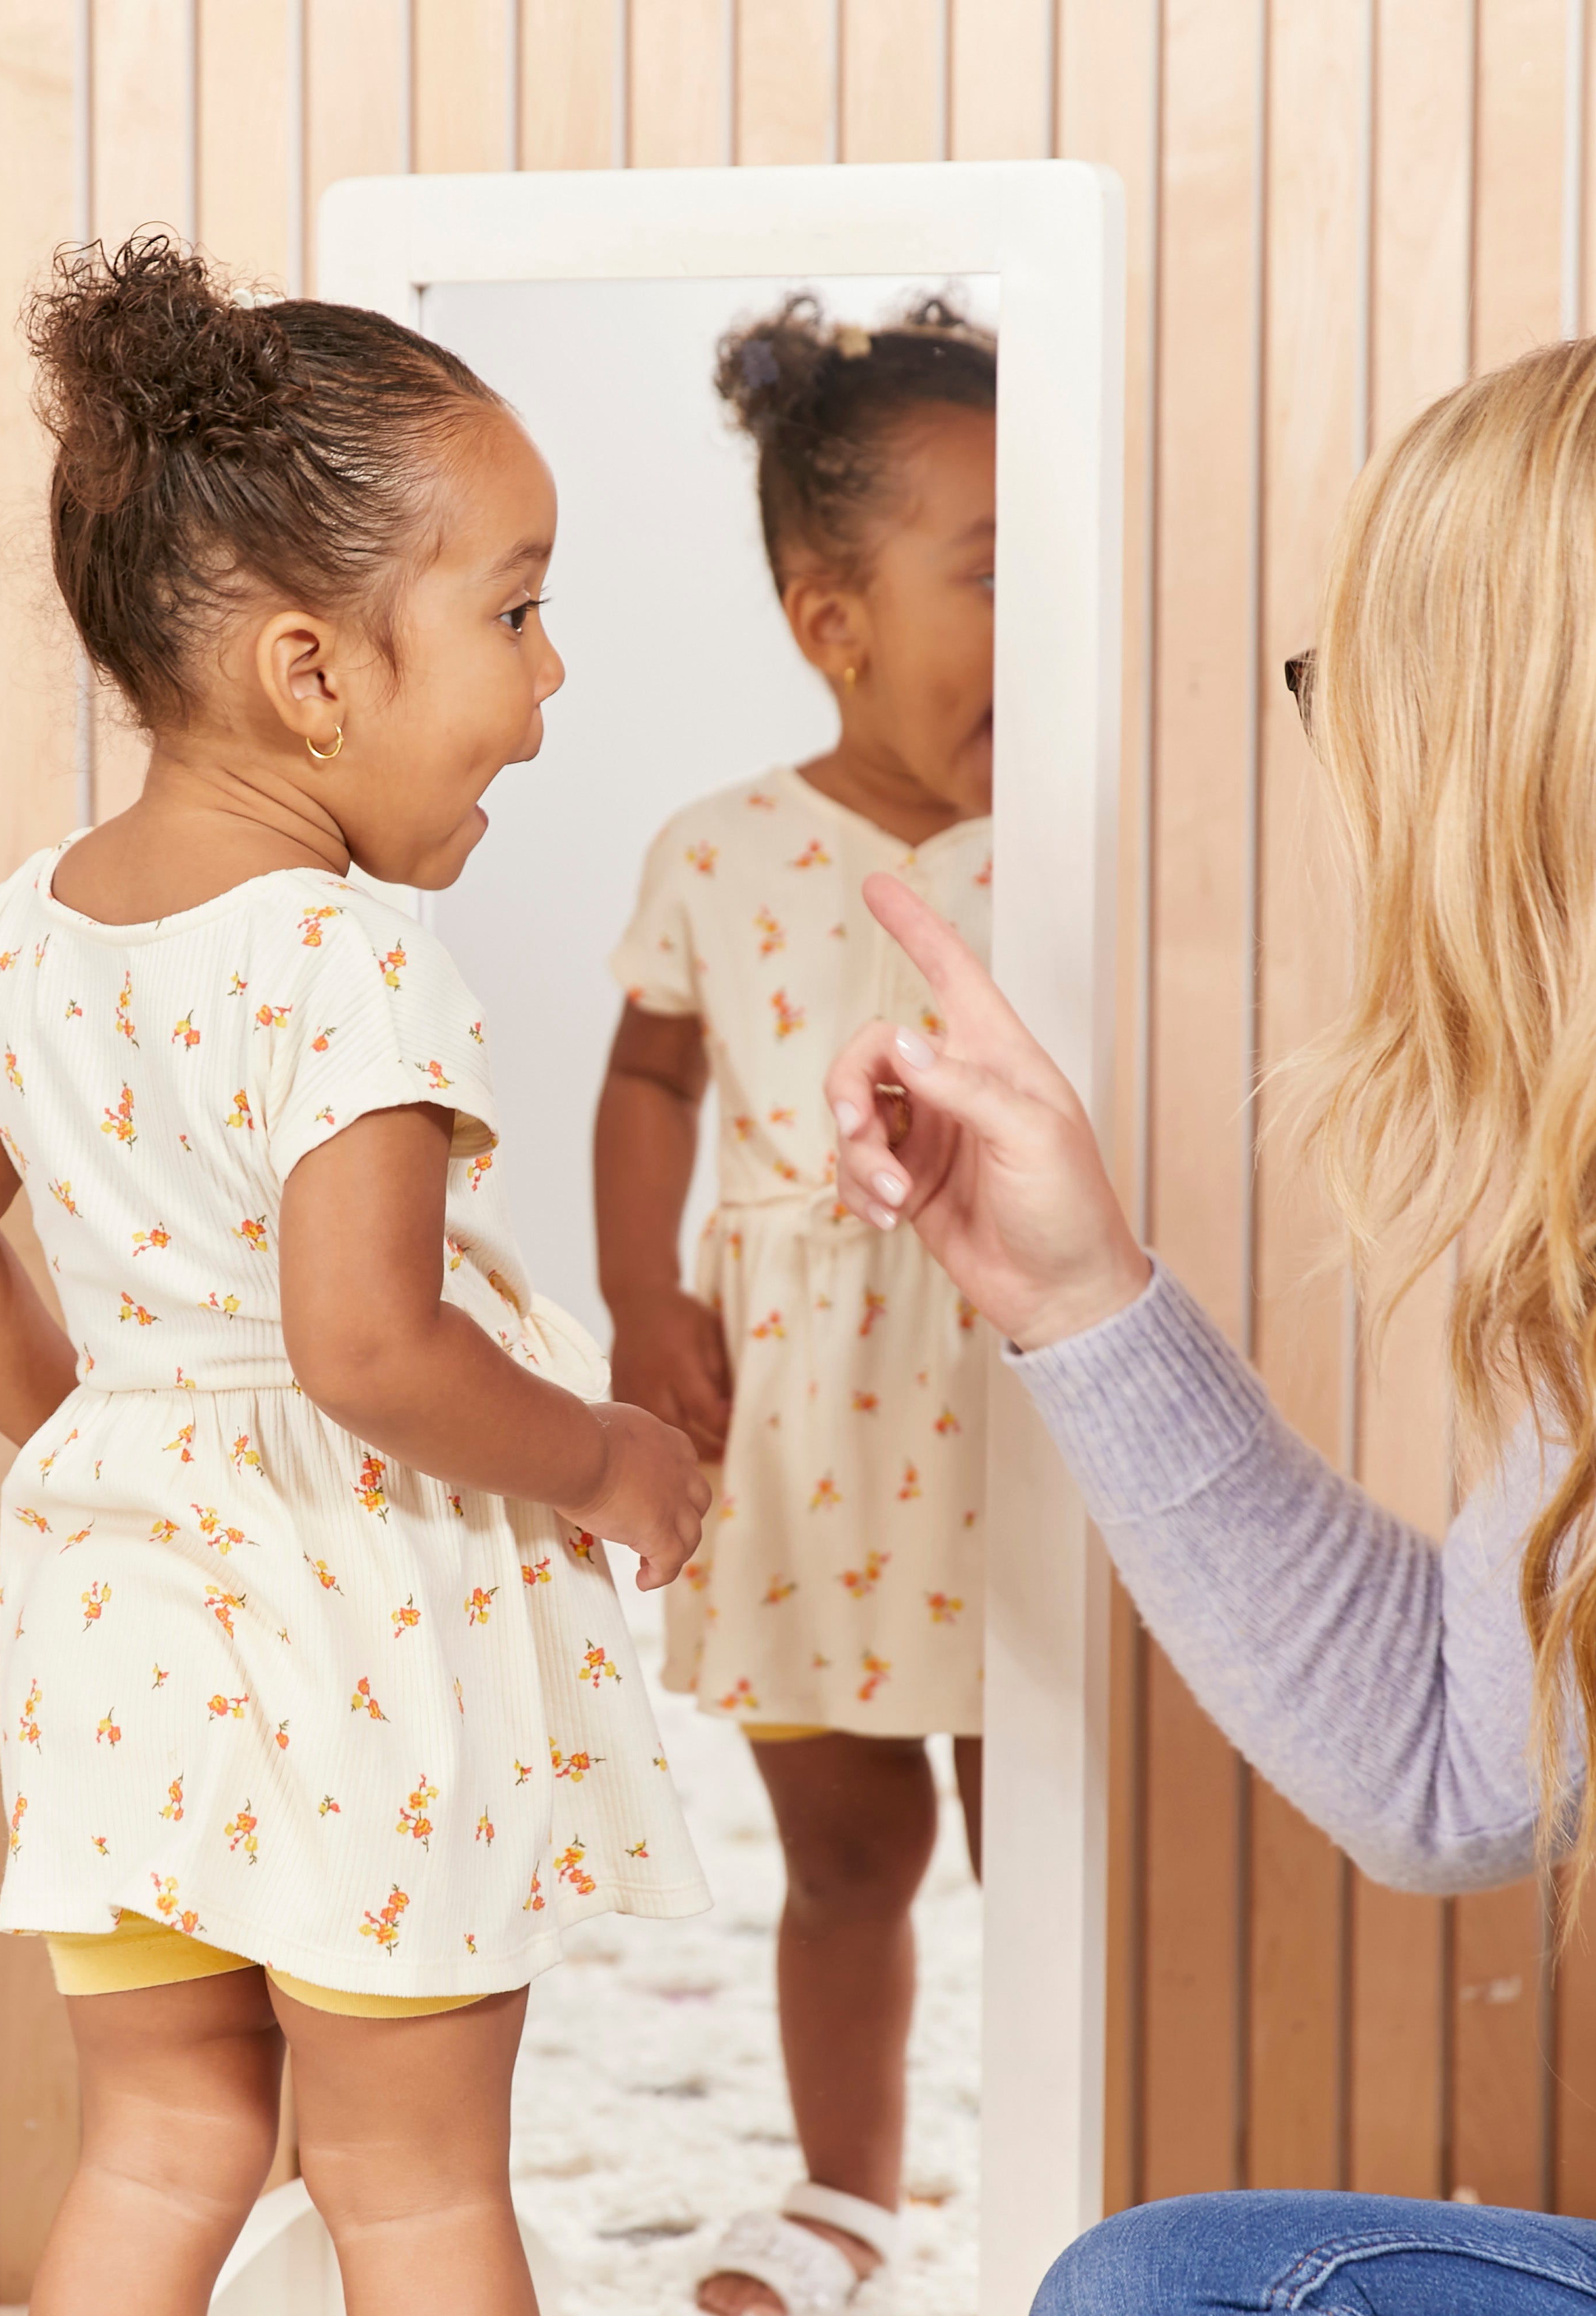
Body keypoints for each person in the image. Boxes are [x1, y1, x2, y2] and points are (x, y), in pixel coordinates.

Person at [827, 310, 1596, 2313]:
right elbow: (1447, 1757)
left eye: (1360, 699)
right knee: (1179, 2287)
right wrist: (1079, 1296)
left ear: (1557, 760)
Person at [0, 236, 712, 2316]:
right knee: (409, 2186)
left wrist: (99, 1429)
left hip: (117, 1628)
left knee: (167, 2143)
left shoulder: (26, 928)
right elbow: (364, 1345)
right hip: (352, 1640)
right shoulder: (344, 956)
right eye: (515, 613)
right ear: (316, 676)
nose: (553, 675)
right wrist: (604, 1459)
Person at [592, 291, 997, 2316]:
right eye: (991, 579)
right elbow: (648, 1075)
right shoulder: (724, 850)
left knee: (1052, 1817)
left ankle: (1077, 2143)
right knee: (851, 1849)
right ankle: (849, 2192)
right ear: (833, 618)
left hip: (1020, 1394)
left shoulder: (1083, 840)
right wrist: (638, 1295)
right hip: (806, 1409)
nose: (1035, 629)